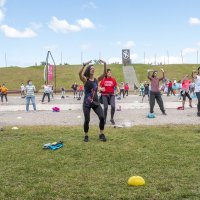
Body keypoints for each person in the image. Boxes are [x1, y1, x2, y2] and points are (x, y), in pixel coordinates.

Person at [79, 59, 107, 142]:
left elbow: (104, 74)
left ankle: (101, 134)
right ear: (88, 70)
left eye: (94, 68)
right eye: (91, 68)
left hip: (95, 102)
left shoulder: (96, 80)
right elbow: (79, 74)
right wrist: (84, 65)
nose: (93, 69)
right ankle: (86, 135)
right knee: (87, 120)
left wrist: (105, 64)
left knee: (102, 117)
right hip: (87, 103)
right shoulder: (85, 80)